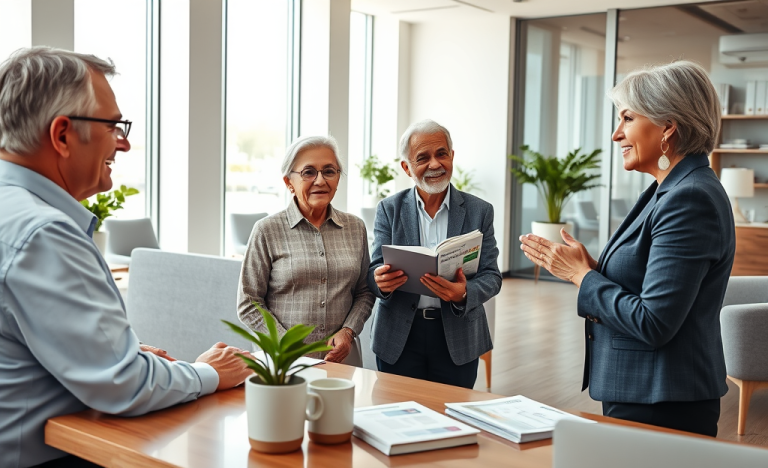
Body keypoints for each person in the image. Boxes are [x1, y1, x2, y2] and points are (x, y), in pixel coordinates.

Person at [0, 47, 253, 468]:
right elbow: (121, 385)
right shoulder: (43, 233)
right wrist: (208, 372)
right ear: (62, 135)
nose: (125, 143)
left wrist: (118, 352)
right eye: (113, 126)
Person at [519, 60, 734, 437]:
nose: (617, 134)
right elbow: (651, 278)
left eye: (627, 118)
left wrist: (579, 275)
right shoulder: (669, 188)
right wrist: (596, 267)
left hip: (662, 400)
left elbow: (654, 322)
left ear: (668, 126)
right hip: (646, 389)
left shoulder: (689, 199)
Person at [367, 119, 502, 389]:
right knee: (399, 419)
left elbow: (492, 276)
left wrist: (462, 293)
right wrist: (380, 280)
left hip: (458, 335)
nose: (435, 164)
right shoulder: (388, 209)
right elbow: (373, 271)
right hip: (399, 337)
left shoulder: (479, 211)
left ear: (452, 156)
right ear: (407, 167)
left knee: (454, 419)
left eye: (441, 154)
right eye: (422, 158)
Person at [237, 135, 375, 364]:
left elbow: (364, 292)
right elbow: (249, 303)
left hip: (341, 359)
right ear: (288, 182)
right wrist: (285, 343)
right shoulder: (266, 230)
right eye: (308, 172)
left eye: (329, 171)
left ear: (338, 178)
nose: (320, 180)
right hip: (284, 361)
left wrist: (348, 331)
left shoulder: (355, 227)